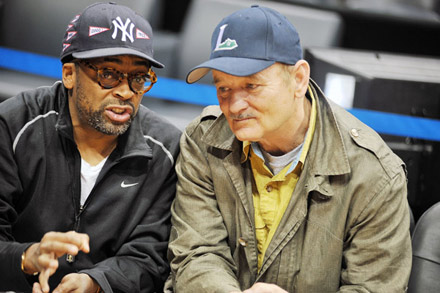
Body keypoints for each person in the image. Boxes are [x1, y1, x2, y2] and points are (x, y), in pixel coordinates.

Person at [167, 5, 412, 292]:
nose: (234, 106)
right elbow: (196, 254)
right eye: (223, 88)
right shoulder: (202, 139)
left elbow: (372, 288)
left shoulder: (376, 175)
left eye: (252, 86)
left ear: (298, 79)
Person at [0, 2, 181, 292]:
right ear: (70, 74)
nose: (125, 92)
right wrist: (24, 258)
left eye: (138, 78)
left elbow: (151, 256)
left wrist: (97, 282)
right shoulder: (14, 124)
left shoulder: (166, 150)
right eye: (108, 74)